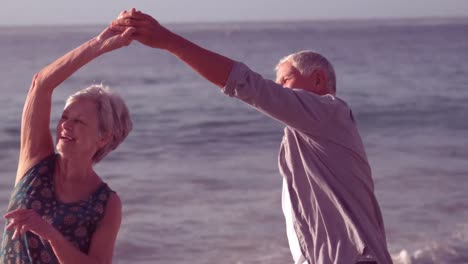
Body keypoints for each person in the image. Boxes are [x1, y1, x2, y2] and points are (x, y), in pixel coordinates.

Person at [112, 8, 393, 264]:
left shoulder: (330, 111)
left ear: (318, 80)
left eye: (285, 80)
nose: (278, 87)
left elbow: (247, 84)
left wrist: (168, 41)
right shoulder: (306, 135)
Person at [0, 16, 135, 263]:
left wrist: (52, 235)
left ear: (103, 137)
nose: (65, 126)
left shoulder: (106, 203)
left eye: (79, 122)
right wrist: (97, 45)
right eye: (65, 117)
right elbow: (40, 84)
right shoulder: (35, 163)